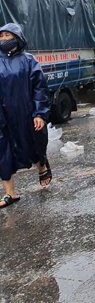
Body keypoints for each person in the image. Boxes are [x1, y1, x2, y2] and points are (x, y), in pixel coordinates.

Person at [0, 23, 52, 209]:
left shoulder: (29, 60)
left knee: (32, 145)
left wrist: (39, 113)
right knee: (3, 153)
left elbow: (40, 88)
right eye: (1, 36)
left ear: (17, 38)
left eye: (8, 35)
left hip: (25, 112)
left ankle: (42, 167)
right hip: (3, 116)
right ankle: (10, 194)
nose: (4, 39)